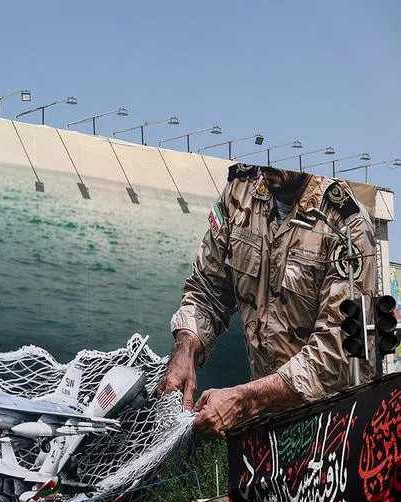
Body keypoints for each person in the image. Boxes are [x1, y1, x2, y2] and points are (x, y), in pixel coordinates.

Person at [158, 165, 377, 436]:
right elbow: (207, 289)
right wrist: (185, 350)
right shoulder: (240, 193)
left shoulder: (344, 224)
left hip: (335, 430)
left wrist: (244, 400)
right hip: (264, 427)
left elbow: (337, 357)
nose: (268, 165)